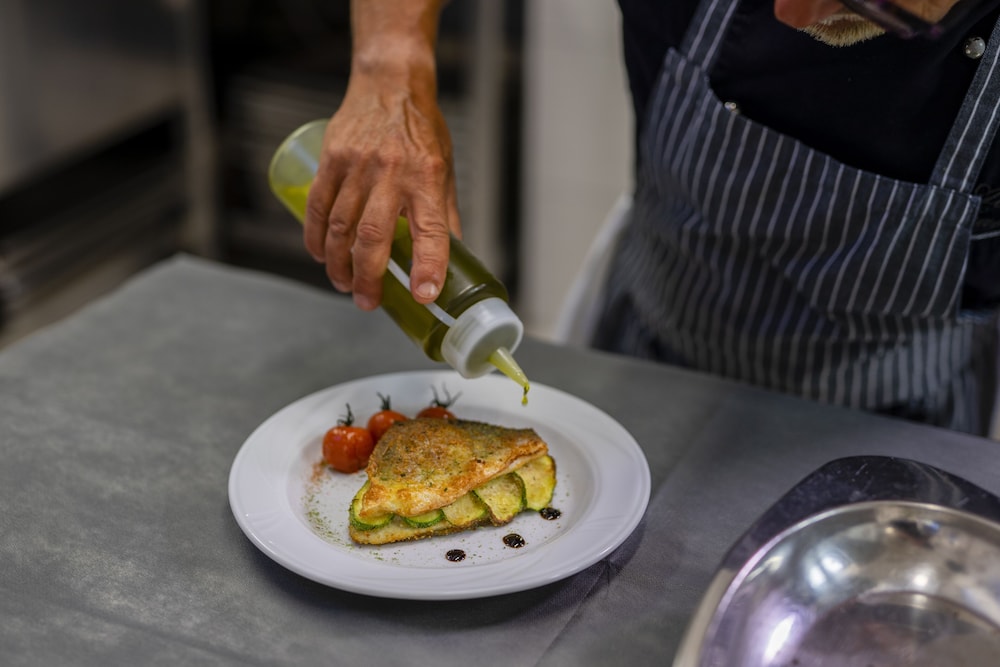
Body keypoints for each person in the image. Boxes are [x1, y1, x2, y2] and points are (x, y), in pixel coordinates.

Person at [302, 0, 1000, 435]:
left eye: (868, 4)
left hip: (901, 433)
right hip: (646, 350)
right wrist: (391, 64)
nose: (787, 12)